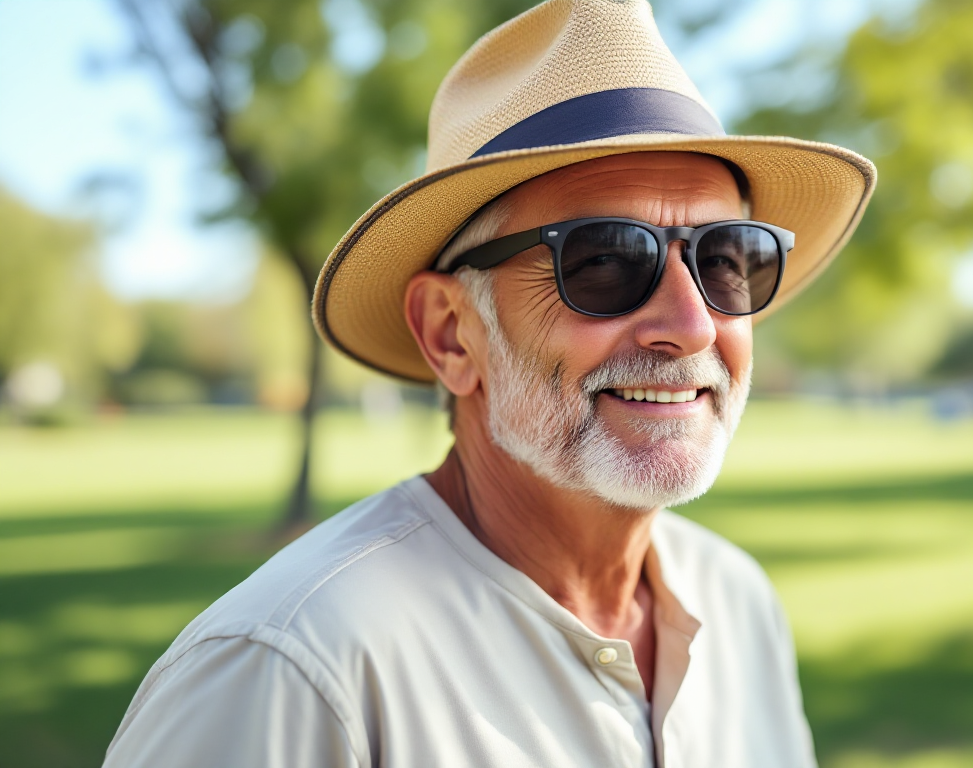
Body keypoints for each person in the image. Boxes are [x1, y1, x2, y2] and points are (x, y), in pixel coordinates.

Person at [103, 1, 873, 766]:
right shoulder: (295, 669)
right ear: (450, 333)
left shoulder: (737, 603)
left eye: (727, 258)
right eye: (604, 260)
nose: (693, 325)